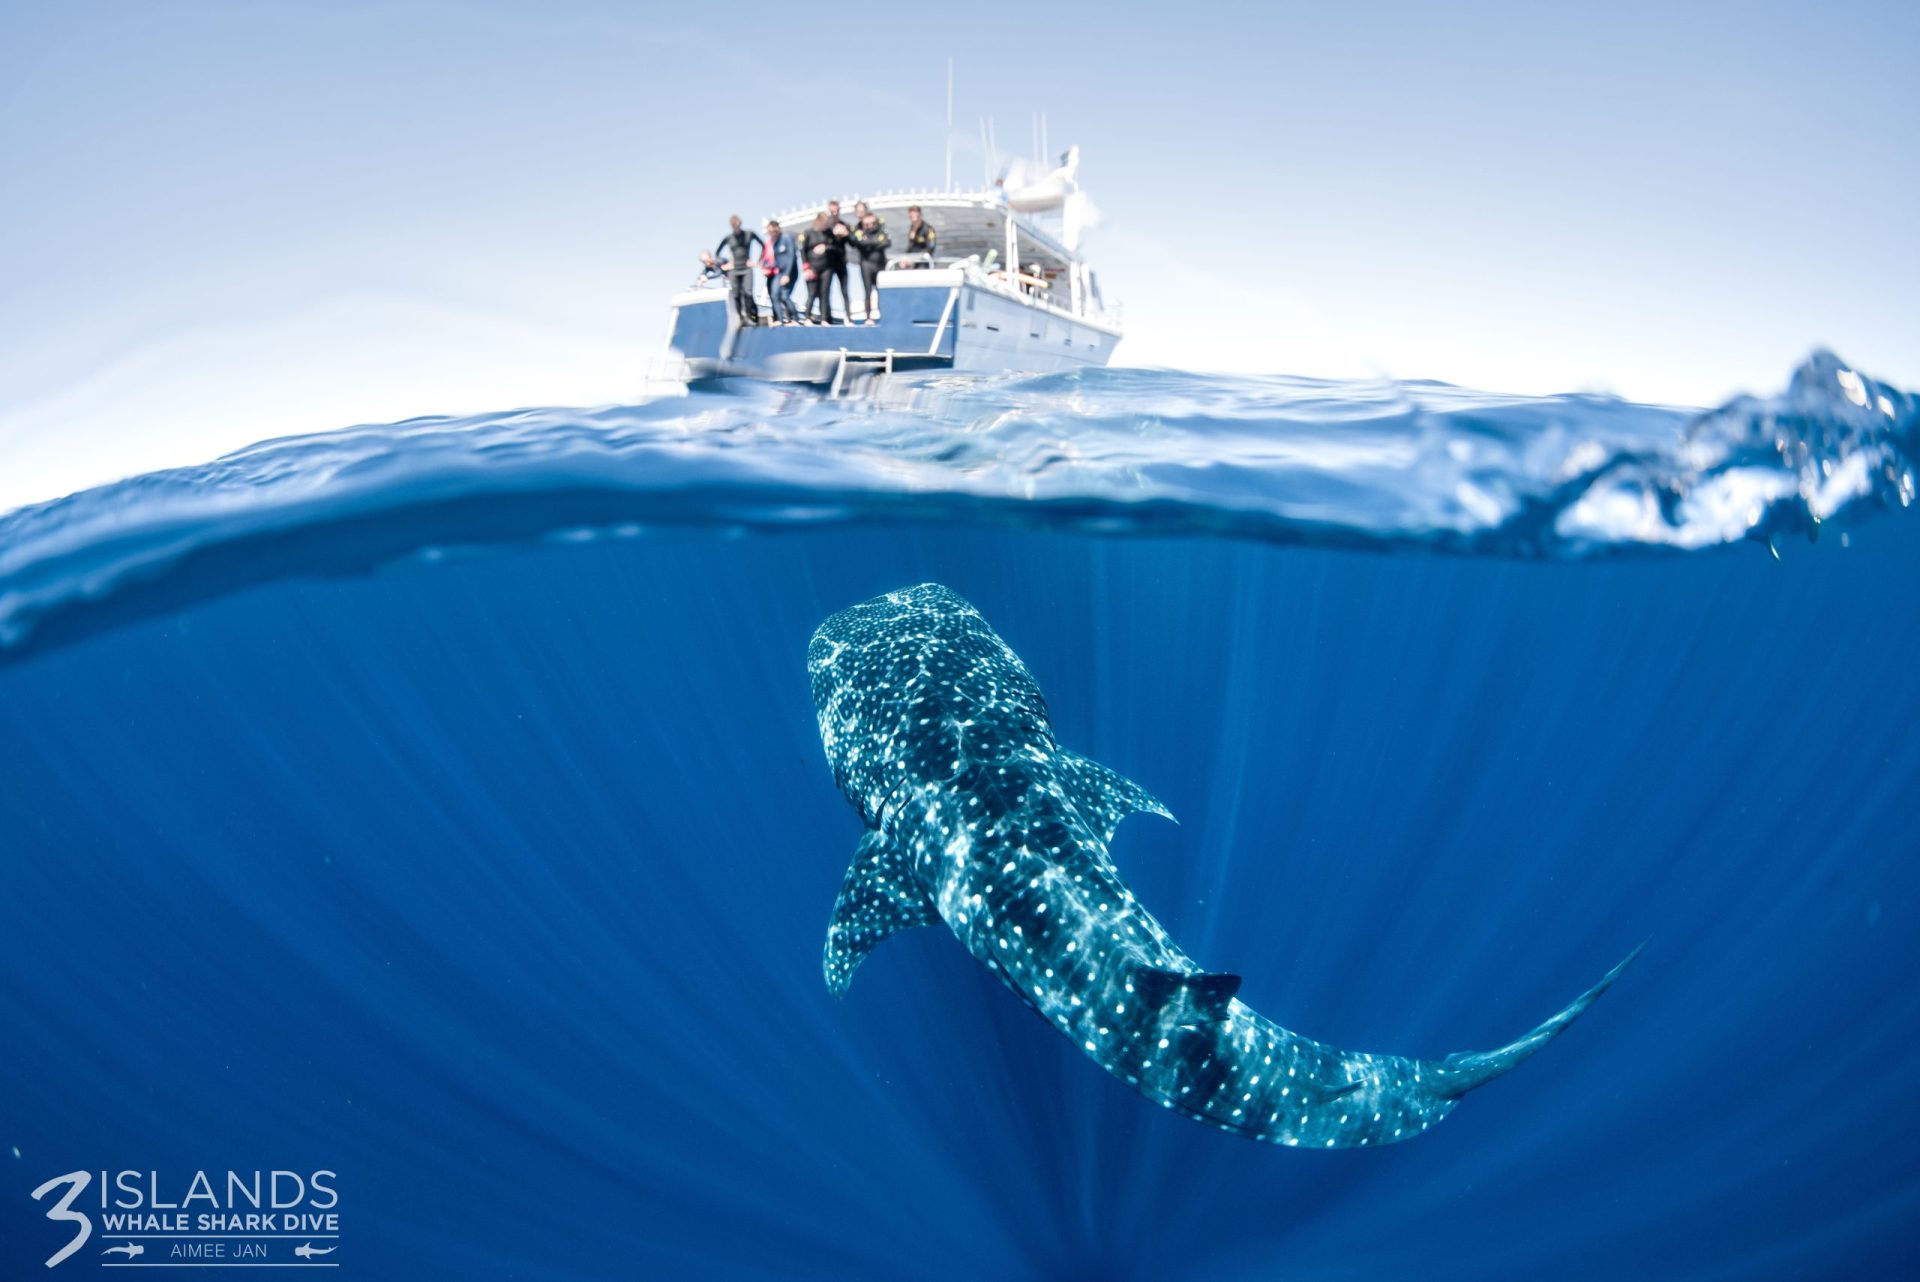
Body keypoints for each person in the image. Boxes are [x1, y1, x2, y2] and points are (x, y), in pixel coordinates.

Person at [714, 214, 762, 325]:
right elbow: (717, 253)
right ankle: (741, 318)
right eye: (734, 226)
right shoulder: (728, 238)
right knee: (736, 294)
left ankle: (751, 316)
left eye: (738, 225)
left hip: (746, 268)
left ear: (740, 224)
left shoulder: (749, 234)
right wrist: (725, 265)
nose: (736, 227)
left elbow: (763, 246)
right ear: (731, 226)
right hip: (734, 270)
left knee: (748, 293)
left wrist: (757, 261)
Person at [849, 211, 890, 323]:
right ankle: (868, 317)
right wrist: (876, 243)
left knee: (881, 291)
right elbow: (860, 244)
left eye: (872, 223)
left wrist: (869, 244)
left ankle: (884, 315)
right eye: (867, 224)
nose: (870, 226)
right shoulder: (860, 233)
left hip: (880, 264)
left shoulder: (881, 231)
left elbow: (887, 242)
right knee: (867, 292)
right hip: (866, 265)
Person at [798, 211, 836, 324]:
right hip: (812, 267)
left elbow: (835, 247)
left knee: (825, 293)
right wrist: (806, 268)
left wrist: (826, 247)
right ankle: (807, 317)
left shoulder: (829, 233)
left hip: (827, 267)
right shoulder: (808, 233)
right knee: (812, 293)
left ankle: (824, 318)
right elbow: (802, 251)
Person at [760, 218, 798, 324]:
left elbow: (791, 256)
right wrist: (766, 266)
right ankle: (780, 319)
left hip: (790, 272)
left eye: (774, 230)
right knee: (775, 295)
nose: (772, 233)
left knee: (785, 296)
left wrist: (787, 274)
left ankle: (795, 319)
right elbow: (777, 262)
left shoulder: (786, 238)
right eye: (770, 231)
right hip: (780, 273)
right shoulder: (775, 244)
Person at [823, 199, 852, 321]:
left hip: (841, 261)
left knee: (845, 290)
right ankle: (826, 318)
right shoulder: (824, 227)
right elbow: (821, 243)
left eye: (836, 211)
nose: (834, 213)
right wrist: (832, 234)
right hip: (828, 263)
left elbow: (853, 243)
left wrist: (846, 234)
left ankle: (848, 317)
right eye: (831, 211)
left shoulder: (844, 225)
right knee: (825, 290)